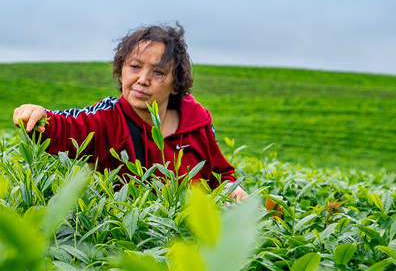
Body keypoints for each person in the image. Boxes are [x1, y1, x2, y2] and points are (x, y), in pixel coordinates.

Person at [12, 23, 248, 201]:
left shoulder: (198, 123)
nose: (142, 79)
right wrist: (39, 115)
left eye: (158, 72)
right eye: (134, 66)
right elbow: (66, 127)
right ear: (121, 69)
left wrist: (232, 190)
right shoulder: (107, 118)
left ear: (176, 83)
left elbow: (220, 175)